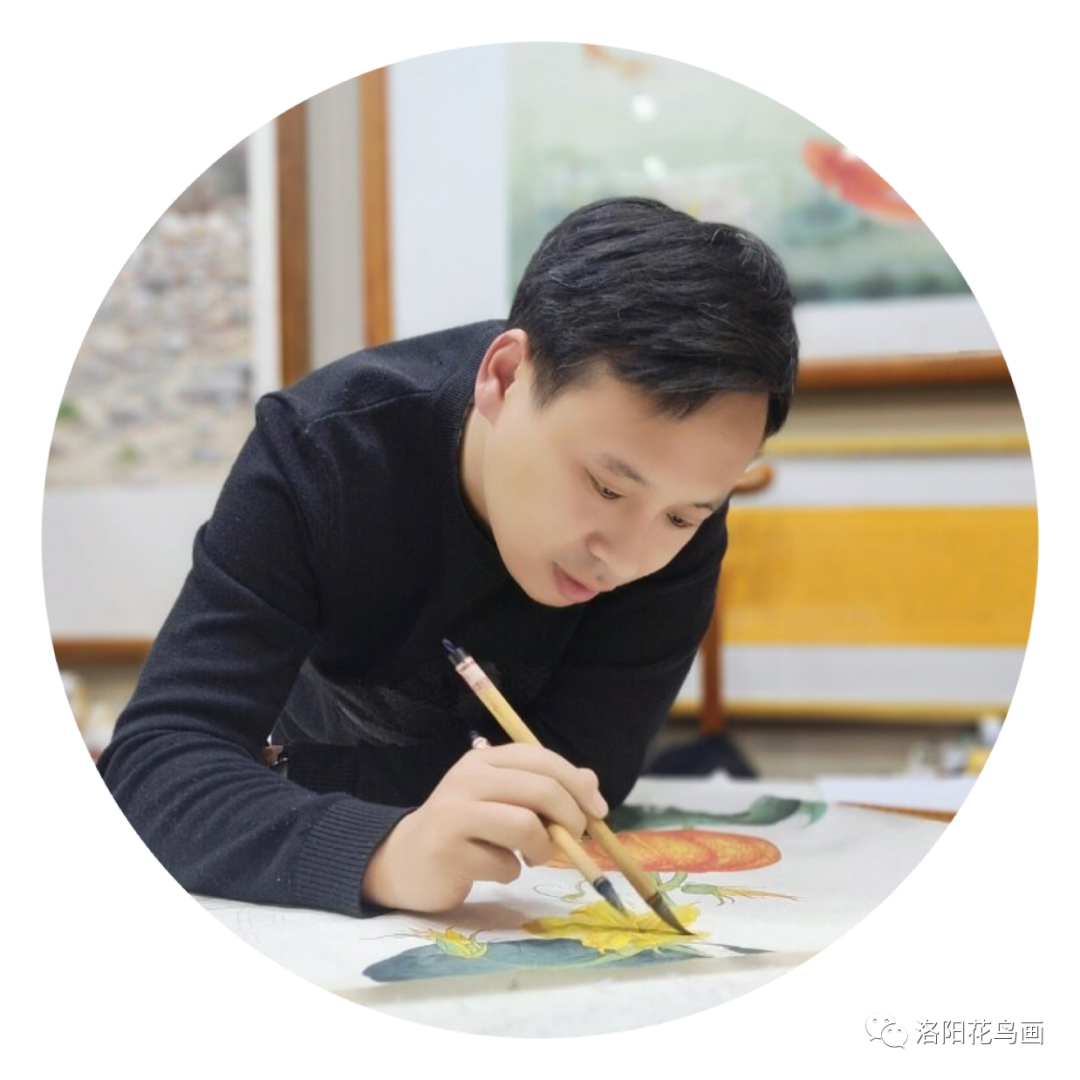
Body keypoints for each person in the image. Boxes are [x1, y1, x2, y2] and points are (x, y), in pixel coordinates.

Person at [98, 197, 799, 918]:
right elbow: (153, 769)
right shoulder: (321, 452)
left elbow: (582, 775)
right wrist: (384, 851)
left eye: (684, 516)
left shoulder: (674, 512)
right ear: (505, 377)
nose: (623, 558)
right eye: (605, 487)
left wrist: (287, 774)